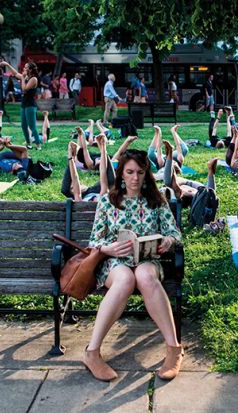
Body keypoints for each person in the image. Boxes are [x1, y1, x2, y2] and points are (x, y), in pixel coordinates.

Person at [84, 149, 183, 382]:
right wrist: (108, 248)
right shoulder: (108, 201)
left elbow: (174, 233)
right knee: (125, 279)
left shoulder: (156, 200)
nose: (135, 178)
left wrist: (168, 241)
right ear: (121, 174)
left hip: (147, 260)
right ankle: (92, 352)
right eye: (129, 172)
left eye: (140, 172)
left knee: (145, 277)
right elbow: (94, 241)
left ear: (146, 173)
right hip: (114, 261)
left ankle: (174, 348)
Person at [162, 141, 218, 208]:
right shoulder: (172, 179)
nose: (175, 163)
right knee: (209, 194)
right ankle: (211, 172)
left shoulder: (172, 180)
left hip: (185, 190)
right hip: (189, 191)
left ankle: (169, 154)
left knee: (167, 183)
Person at [1, 60, 42, 150]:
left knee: (32, 126)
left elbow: (24, 89)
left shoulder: (33, 79)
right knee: (23, 125)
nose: (24, 68)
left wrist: (23, 78)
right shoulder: (26, 77)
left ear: (30, 70)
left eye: (26, 67)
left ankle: (38, 145)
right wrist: (7, 64)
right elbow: (15, 73)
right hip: (24, 104)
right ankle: (29, 144)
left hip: (30, 105)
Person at [62, 134, 114, 202]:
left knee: (65, 190)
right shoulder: (102, 198)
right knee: (111, 181)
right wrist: (103, 148)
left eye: (72, 188)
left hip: (86, 194)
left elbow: (75, 179)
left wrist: (71, 158)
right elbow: (103, 172)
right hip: (97, 190)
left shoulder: (80, 202)